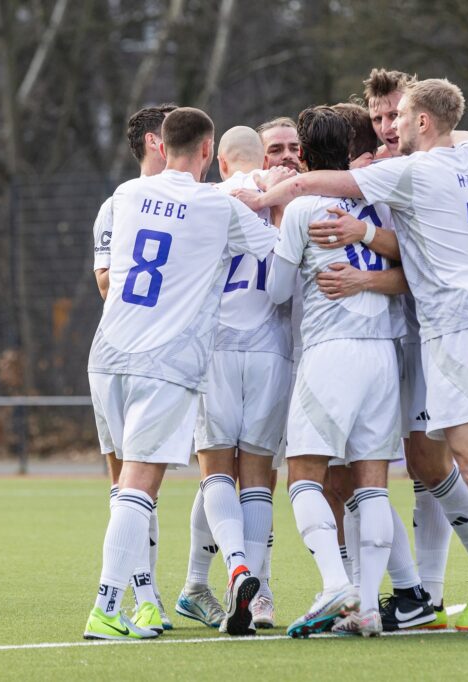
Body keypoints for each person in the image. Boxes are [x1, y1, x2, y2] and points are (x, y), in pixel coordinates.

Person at [237, 78, 468, 639]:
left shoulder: (410, 171)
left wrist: (264, 197)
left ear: (423, 121)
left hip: (452, 329)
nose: (391, 127)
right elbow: (457, 136)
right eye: (381, 118)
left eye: (399, 116)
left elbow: (316, 186)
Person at [83, 106, 278, 640]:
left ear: (161, 146)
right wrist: (267, 188)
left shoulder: (124, 195)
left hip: (107, 354)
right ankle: (106, 606)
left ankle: (140, 603)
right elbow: (276, 249)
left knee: (123, 485)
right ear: (208, 150)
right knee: (139, 488)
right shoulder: (216, 205)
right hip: (165, 363)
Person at [262, 106, 407, 638]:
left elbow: (277, 292)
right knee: (372, 484)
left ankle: (333, 584)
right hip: (382, 353)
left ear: (303, 153)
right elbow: (405, 266)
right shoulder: (375, 206)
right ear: (349, 150)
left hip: (331, 352)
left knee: (304, 475)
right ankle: (366, 606)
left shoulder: (303, 209)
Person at [176, 126, 294, 632]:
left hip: (216, 347)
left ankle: (236, 569)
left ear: (220, 161)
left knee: (216, 473)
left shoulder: (206, 199)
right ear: (261, 158)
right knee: (259, 479)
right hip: (271, 348)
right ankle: (257, 593)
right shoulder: (285, 195)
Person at [91, 103, 178, 631]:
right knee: (128, 482)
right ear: (153, 141)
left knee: (141, 484)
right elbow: (105, 282)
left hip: (158, 357)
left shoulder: (192, 199)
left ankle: (142, 599)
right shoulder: (117, 204)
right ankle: (142, 597)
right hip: (126, 353)